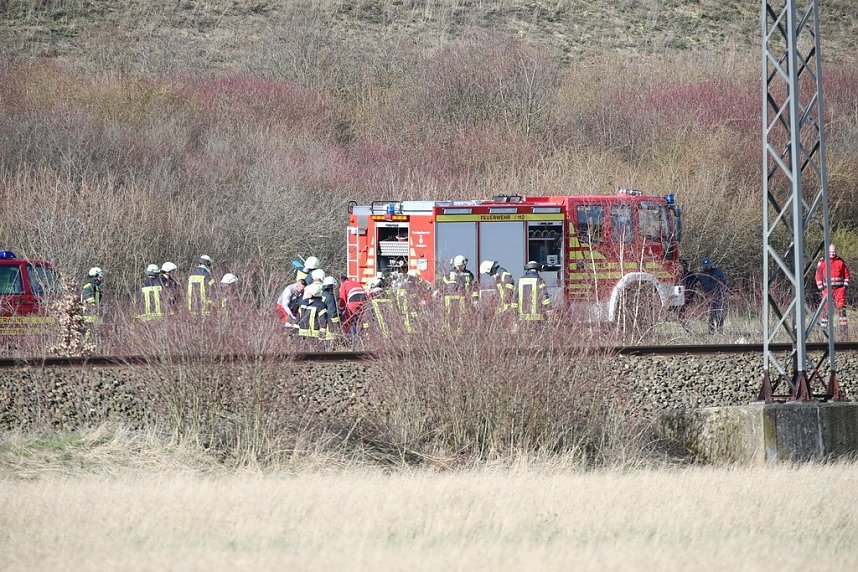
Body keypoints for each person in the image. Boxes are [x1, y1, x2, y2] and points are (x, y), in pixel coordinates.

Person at [816, 243, 850, 330]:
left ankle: (844, 328)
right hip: (827, 289)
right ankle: (824, 328)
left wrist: (844, 287)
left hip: (839, 289)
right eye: (831, 251)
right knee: (826, 307)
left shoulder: (840, 262)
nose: (832, 253)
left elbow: (846, 275)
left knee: (842, 307)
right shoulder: (822, 262)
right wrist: (821, 287)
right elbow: (818, 275)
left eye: (834, 251)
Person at [696, 257, 729, 334]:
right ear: (702, 266)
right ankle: (711, 331)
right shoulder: (701, 275)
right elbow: (698, 284)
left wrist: (725, 291)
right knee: (710, 314)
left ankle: (720, 330)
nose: (707, 267)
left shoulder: (718, 272)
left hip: (718, 295)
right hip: (708, 296)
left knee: (719, 313)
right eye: (705, 266)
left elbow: (725, 282)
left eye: (708, 265)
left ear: (711, 265)